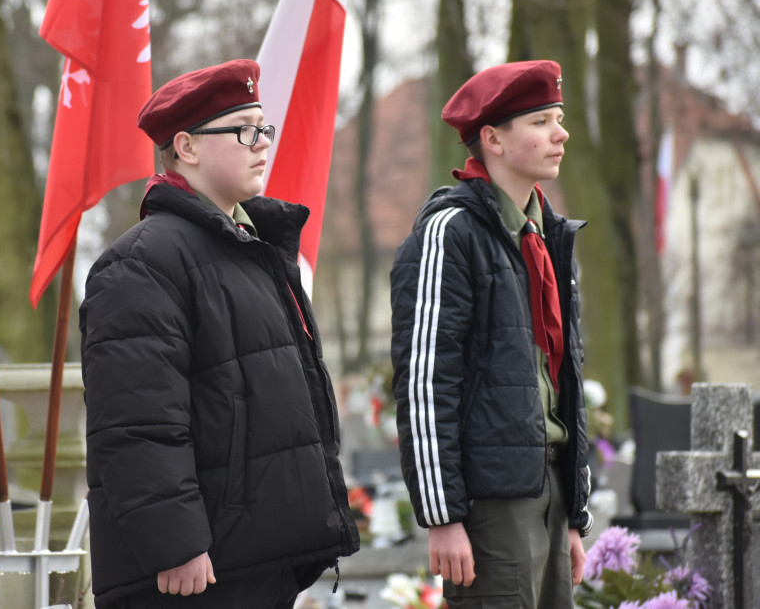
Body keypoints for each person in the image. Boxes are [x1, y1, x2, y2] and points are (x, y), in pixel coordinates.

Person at [80, 59, 359, 609]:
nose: (262, 144)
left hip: (254, 558)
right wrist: (175, 543)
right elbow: (138, 424)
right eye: (244, 130)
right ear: (185, 147)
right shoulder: (142, 263)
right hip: (194, 573)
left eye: (265, 129)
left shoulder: (254, 250)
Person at [389, 60, 592, 607]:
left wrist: (574, 511)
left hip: (546, 489)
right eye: (542, 121)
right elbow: (426, 383)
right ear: (493, 139)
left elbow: (562, 378)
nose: (561, 133)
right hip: (491, 506)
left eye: (560, 117)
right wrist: (442, 516)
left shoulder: (549, 236)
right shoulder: (450, 234)